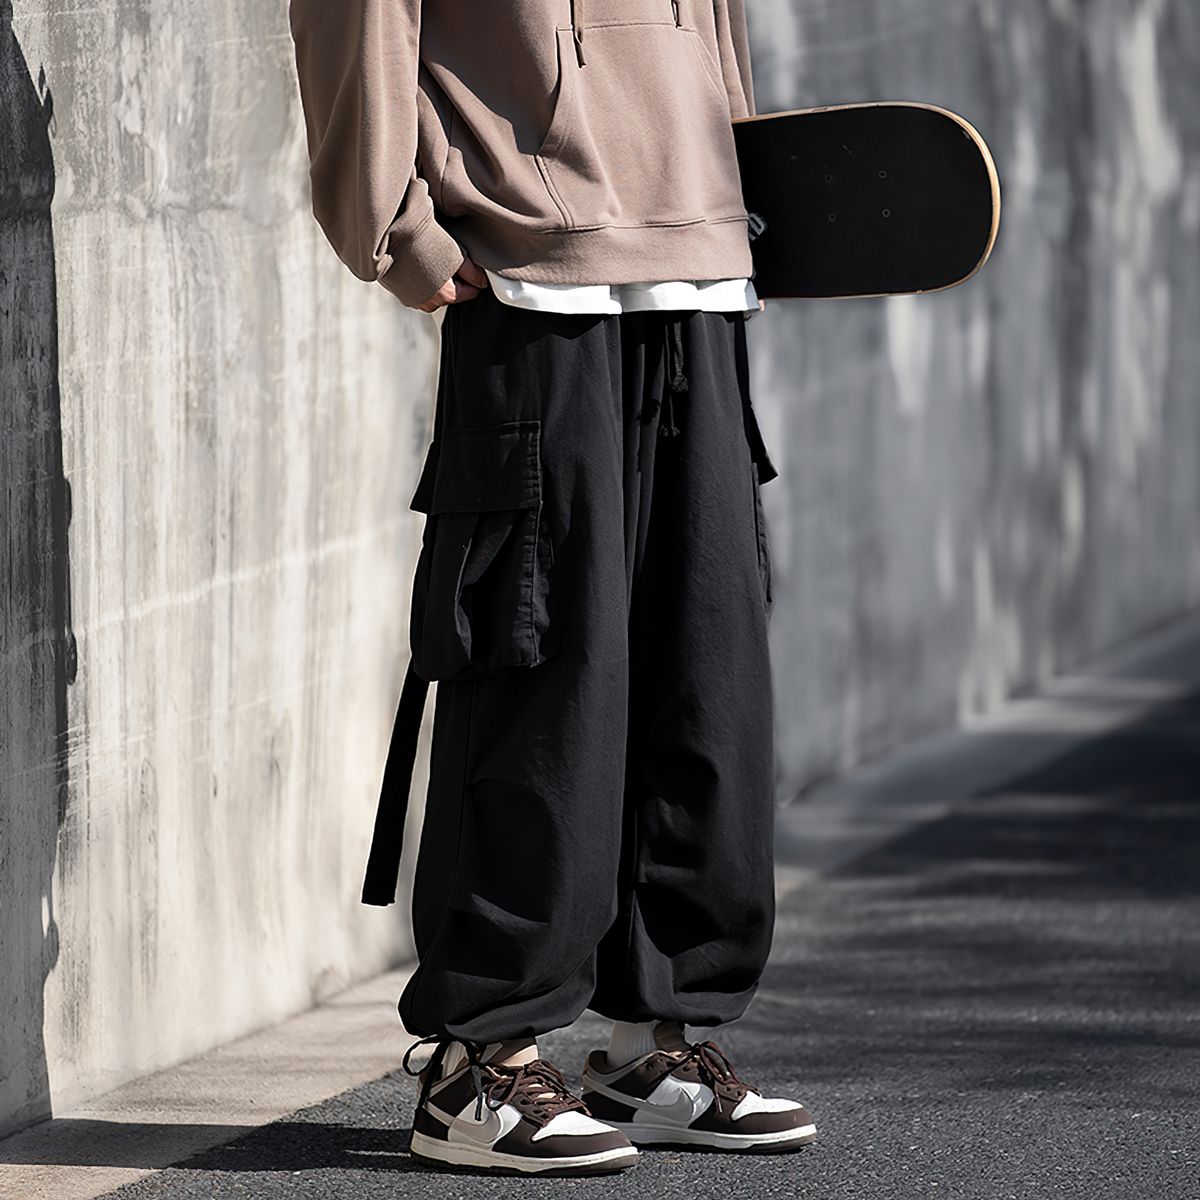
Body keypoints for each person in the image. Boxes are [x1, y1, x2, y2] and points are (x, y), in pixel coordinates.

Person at [288, 0, 814, 1176]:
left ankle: (652, 1045)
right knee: (543, 674)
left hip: (700, 272)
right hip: (531, 281)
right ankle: (479, 1065)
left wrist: (739, 203)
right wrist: (401, 233)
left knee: (706, 679)